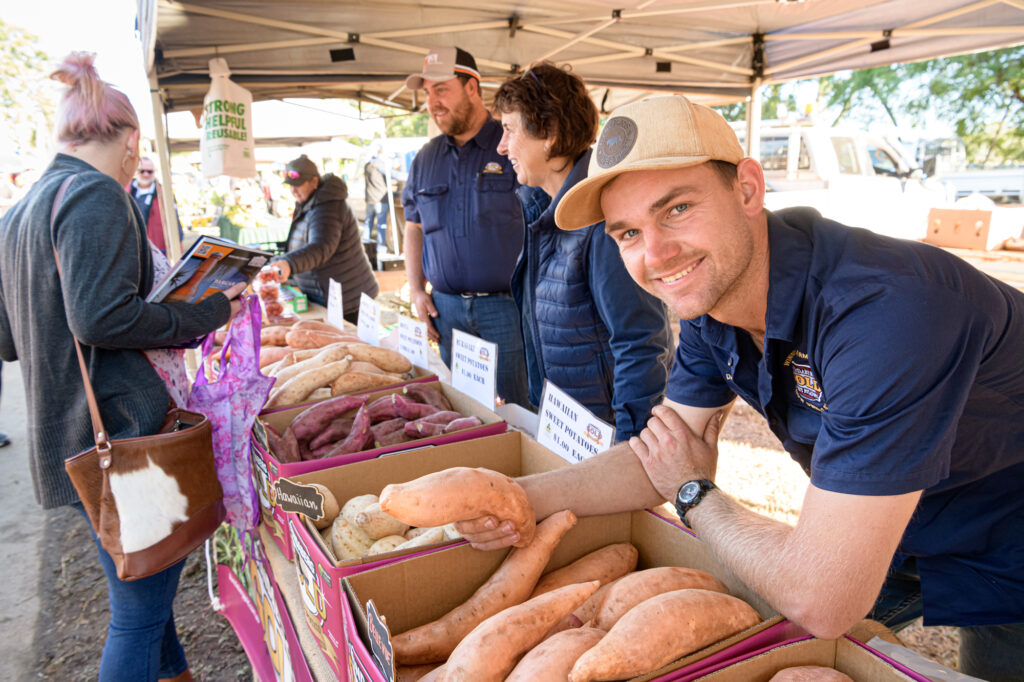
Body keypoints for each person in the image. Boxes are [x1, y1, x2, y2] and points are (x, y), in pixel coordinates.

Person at [457, 95, 1024, 681]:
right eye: (627, 233)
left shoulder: (885, 313)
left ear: (748, 189)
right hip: (888, 522)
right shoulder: (715, 303)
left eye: (676, 209)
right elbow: (659, 457)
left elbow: (821, 597)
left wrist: (693, 495)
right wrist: (515, 497)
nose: (655, 255)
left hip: (1008, 534)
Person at [0, 53, 248, 682]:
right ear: (131, 138)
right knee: (138, 612)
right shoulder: (97, 197)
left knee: (147, 592)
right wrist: (206, 312)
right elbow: (100, 318)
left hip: (77, 436)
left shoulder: (21, 212)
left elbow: (9, 339)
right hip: (122, 433)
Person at [493, 63, 672, 440]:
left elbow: (640, 340)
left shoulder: (603, 217)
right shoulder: (541, 208)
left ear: (549, 134)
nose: (501, 146)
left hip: (605, 432)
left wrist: (629, 443)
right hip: (568, 426)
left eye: (509, 130)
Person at [401, 46, 529, 406]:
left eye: (441, 89)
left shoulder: (509, 145)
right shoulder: (426, 158)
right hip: (447, 312)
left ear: (472, 87)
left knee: (521, 410)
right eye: (427, 92)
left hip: (507, 309)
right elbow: (414, 227)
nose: (432, 102)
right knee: (469, 411)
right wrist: (416, 292)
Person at [271, 154, 379, 323]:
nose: (293, 190)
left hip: (349, 299)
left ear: (314, 181)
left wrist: (289, 263)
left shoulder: (327, 207)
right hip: (331, 295)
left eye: (298, 185)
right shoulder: (311, 202)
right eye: (291, 186)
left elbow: (321, 247)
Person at [126, 156, 184, 254]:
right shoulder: (127, 191)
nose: (145, 174)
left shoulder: (164, 193)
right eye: (142, 171)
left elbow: (174, 221)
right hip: (133, 249)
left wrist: (177, 246)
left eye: (149, 171)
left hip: (158, 250)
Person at [363, 144, 389, 251]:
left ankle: (364, 247)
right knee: (381, 225)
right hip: (379, 198)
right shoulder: (379, 165)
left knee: (368, 224)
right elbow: (392, 174)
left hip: (370, 199)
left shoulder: (367, 165)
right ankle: (380, 247)